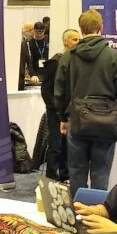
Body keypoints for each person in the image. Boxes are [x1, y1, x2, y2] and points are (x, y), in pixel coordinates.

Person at [55, 10, 117, 191]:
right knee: (101, 172)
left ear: (81, 30)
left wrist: (63, 118)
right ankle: (97, 214)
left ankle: (77, 215)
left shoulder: (68, 56)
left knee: (76, 172)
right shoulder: (115, 57)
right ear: (101, 27)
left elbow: (59, 92)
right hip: (106, 122)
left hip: (77, 119)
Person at [39, 29, 80, 181]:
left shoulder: (77, 63)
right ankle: (50, 178)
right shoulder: (55, 62)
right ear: (66, 42)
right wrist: (54, 108)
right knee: (55, 146)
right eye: (75, 39)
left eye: (79, 39)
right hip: (55, 112)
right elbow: (46, 90)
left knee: (68, 146)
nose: (78, 42)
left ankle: (65, 177)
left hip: (70, 112)